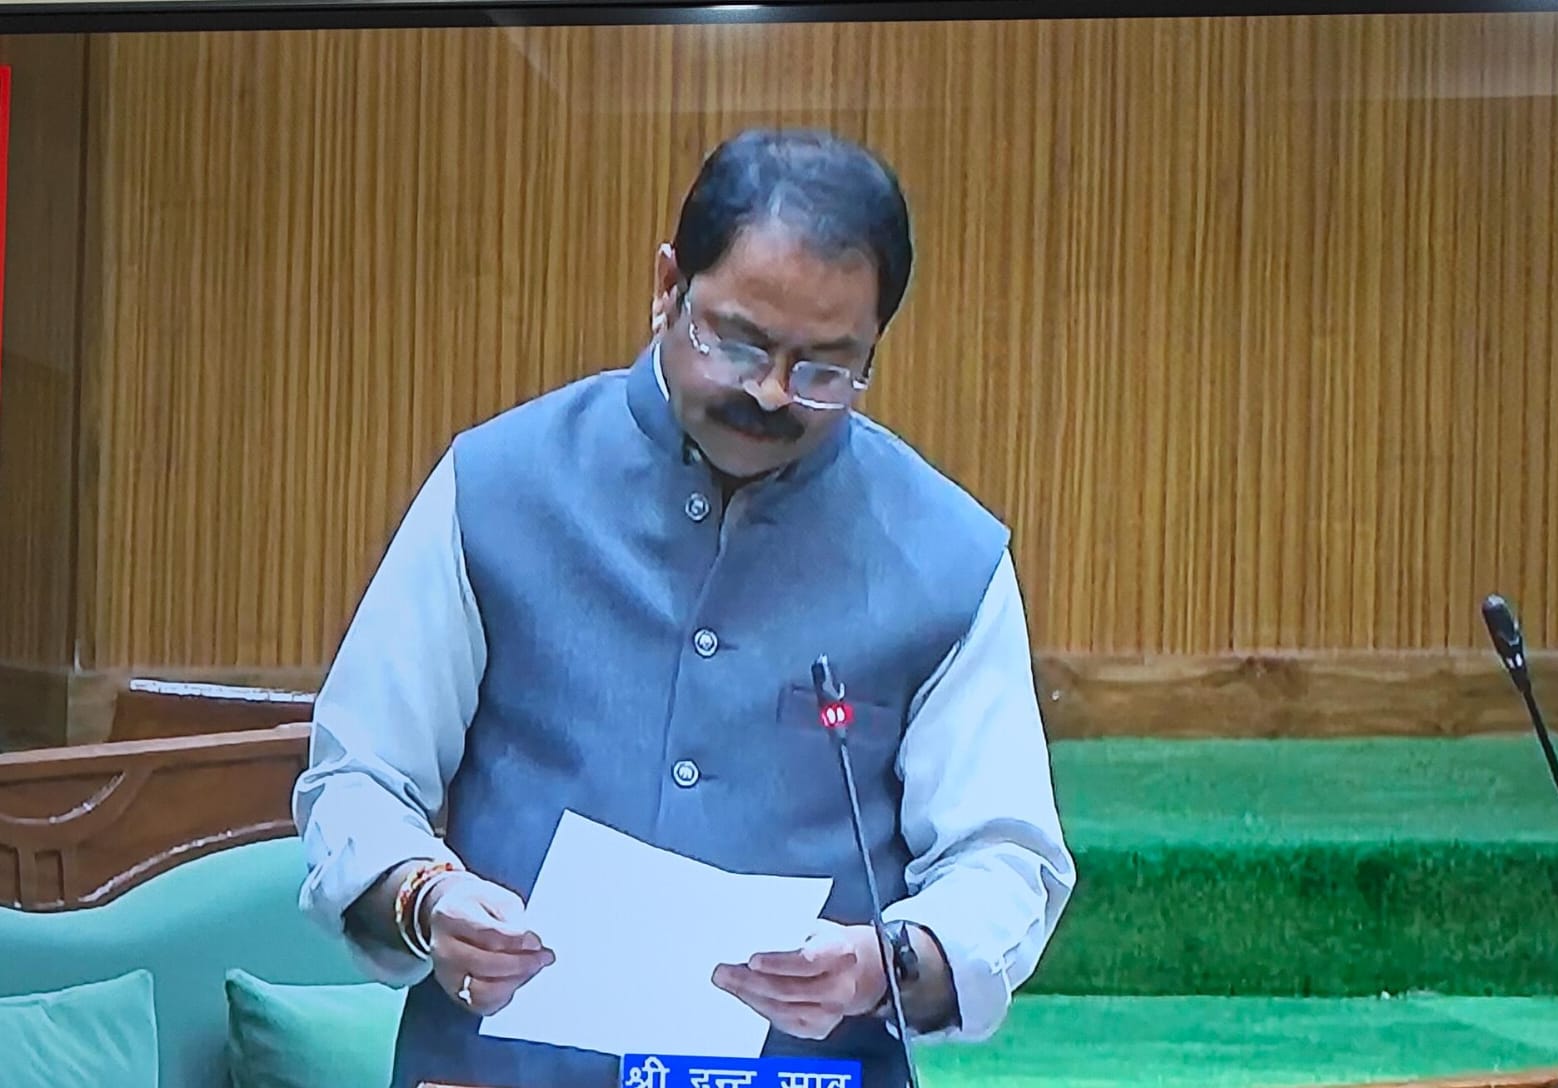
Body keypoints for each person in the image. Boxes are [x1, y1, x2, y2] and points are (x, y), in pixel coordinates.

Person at [292, 128, 1074, 1088]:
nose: (771, 393)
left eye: (825, 368)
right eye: (738, 342)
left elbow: (1004, 859)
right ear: (668, 287)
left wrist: (887, 963)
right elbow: (360, 776)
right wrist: (423, 897)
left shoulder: (947, 557)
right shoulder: (496, 485)